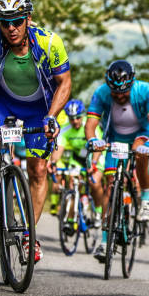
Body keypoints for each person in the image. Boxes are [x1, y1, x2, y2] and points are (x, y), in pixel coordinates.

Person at [0, 0, 71, 263]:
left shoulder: (50, 42)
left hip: (38, 108)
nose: (11, 28)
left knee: (38, 169)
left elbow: (64, 82)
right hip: (2, 102)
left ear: (28, 19)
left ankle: (28, 236)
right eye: (4, 22)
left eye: (17, 21)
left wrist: (52, 116)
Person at [85, 60, 149, 262]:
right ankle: (104, 241)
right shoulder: (101, 92)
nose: (119, 96)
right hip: (115, 139)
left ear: (132, 83)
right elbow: (90, 125)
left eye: (124, 93)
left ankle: (145, 198)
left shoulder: (146, 90)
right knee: (111, 186)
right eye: (115, 93)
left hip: (140, 135)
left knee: (141, 152)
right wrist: (93, 140)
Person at [50, 99, 105, 231]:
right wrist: (52, 162)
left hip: (96, 156)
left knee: (94, 183)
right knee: (73, 186)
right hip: (78, 159)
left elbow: (98, 147)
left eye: (77, 118)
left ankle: (98, 212)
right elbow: (59, 149)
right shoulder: (65, 129)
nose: (74, 121)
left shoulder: (91, 126)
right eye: (71, 118)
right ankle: (70, 219)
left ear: (83, 115)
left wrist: (94, 163)